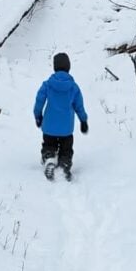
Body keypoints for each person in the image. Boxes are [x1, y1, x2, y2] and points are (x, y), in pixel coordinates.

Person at [33, 52, 88, 181]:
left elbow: (39, 101)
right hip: (66, 129)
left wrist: (38, 116)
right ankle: (64, 165)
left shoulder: (47, 84)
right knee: (66, 149)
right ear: (68, 67)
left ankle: (49, 159)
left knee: (49, 145)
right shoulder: (73, 87)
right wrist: (83, 120)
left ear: (55, 67)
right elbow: (79, 106)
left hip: (49, 126)